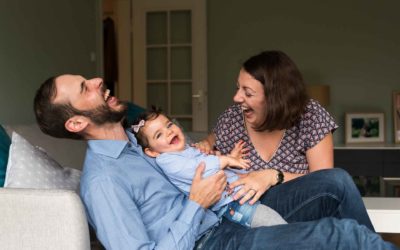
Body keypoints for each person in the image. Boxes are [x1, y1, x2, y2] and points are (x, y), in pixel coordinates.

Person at [33, 74, 397, 250]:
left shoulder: (138, 141)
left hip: (229, 209)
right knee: (340, 235)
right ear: (77, 123)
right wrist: (196, 204)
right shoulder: (103, 182)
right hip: (211, 241)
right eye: (85, 88)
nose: (97, 80)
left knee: (334, 182)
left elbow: (189, 157)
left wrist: (209, 154)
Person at [194, 50, 372, 227]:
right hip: (245, 211)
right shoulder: (232, 118)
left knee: (337, 181)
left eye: (248, 93)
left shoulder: (310, 115)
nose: (236, 97)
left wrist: (273, 176)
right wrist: (205, 145)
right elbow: (210, 142)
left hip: (298, 208)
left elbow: (322, 184)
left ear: (274, 97)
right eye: (237, 88)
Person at [132, 109, 287, 228]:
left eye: (169, 125)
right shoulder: (167, 160)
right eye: (159, 135)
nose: (169, 132)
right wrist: (225, 160)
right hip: (231, 204)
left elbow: (211, 162)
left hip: (238, 190)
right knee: (270, 221)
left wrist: (231, 159)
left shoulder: (185, 149)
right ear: (151, 152)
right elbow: (199, 169)